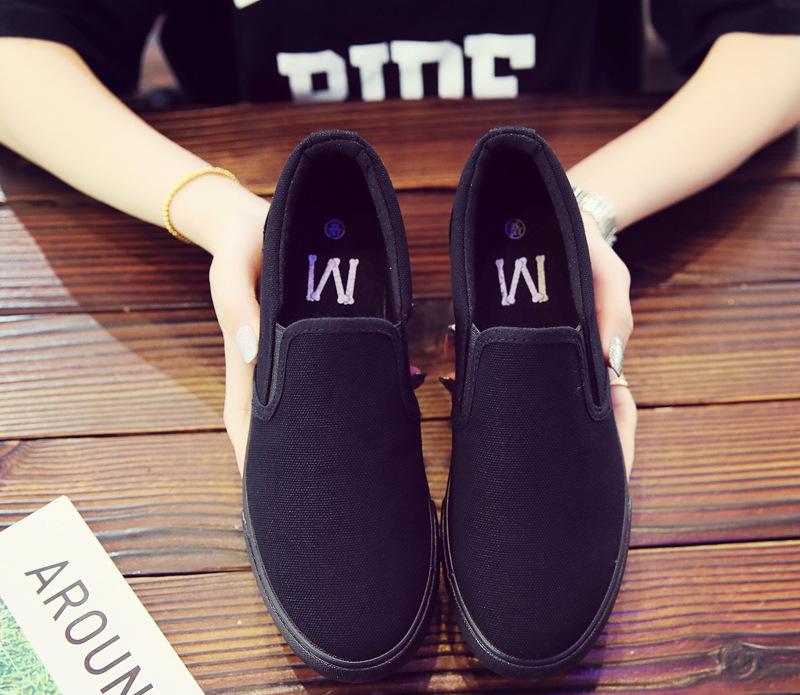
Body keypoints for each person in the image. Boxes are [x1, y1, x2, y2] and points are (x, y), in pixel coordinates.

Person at [0, 2, 798, 477]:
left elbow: (777, 34)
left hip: (560, 213)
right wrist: (219, 212)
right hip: (282, 234)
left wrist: (580, 210)